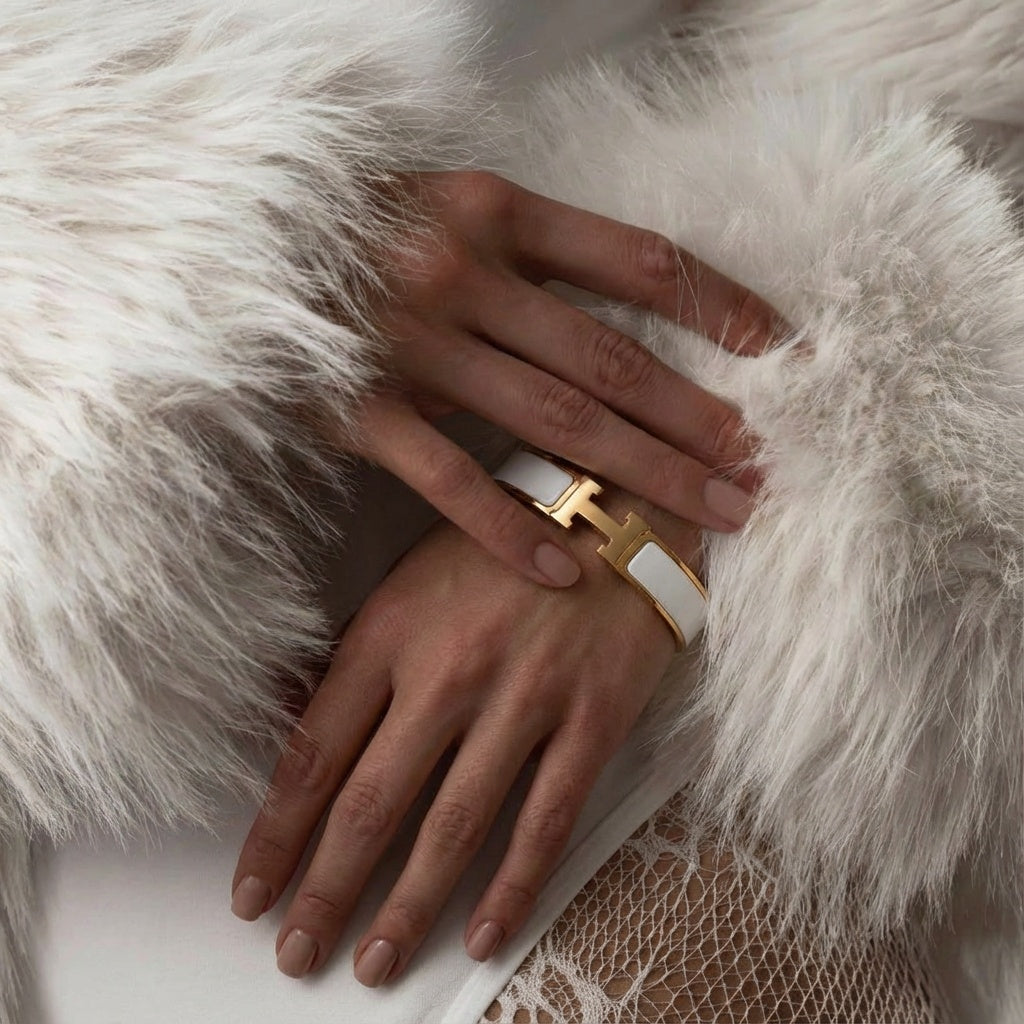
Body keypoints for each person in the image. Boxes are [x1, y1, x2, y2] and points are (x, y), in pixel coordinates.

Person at [8, 1, 1024, 1022]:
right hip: (66, 680)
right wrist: (194, 231)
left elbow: (956, 74)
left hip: (621, 600)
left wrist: (663, 483)